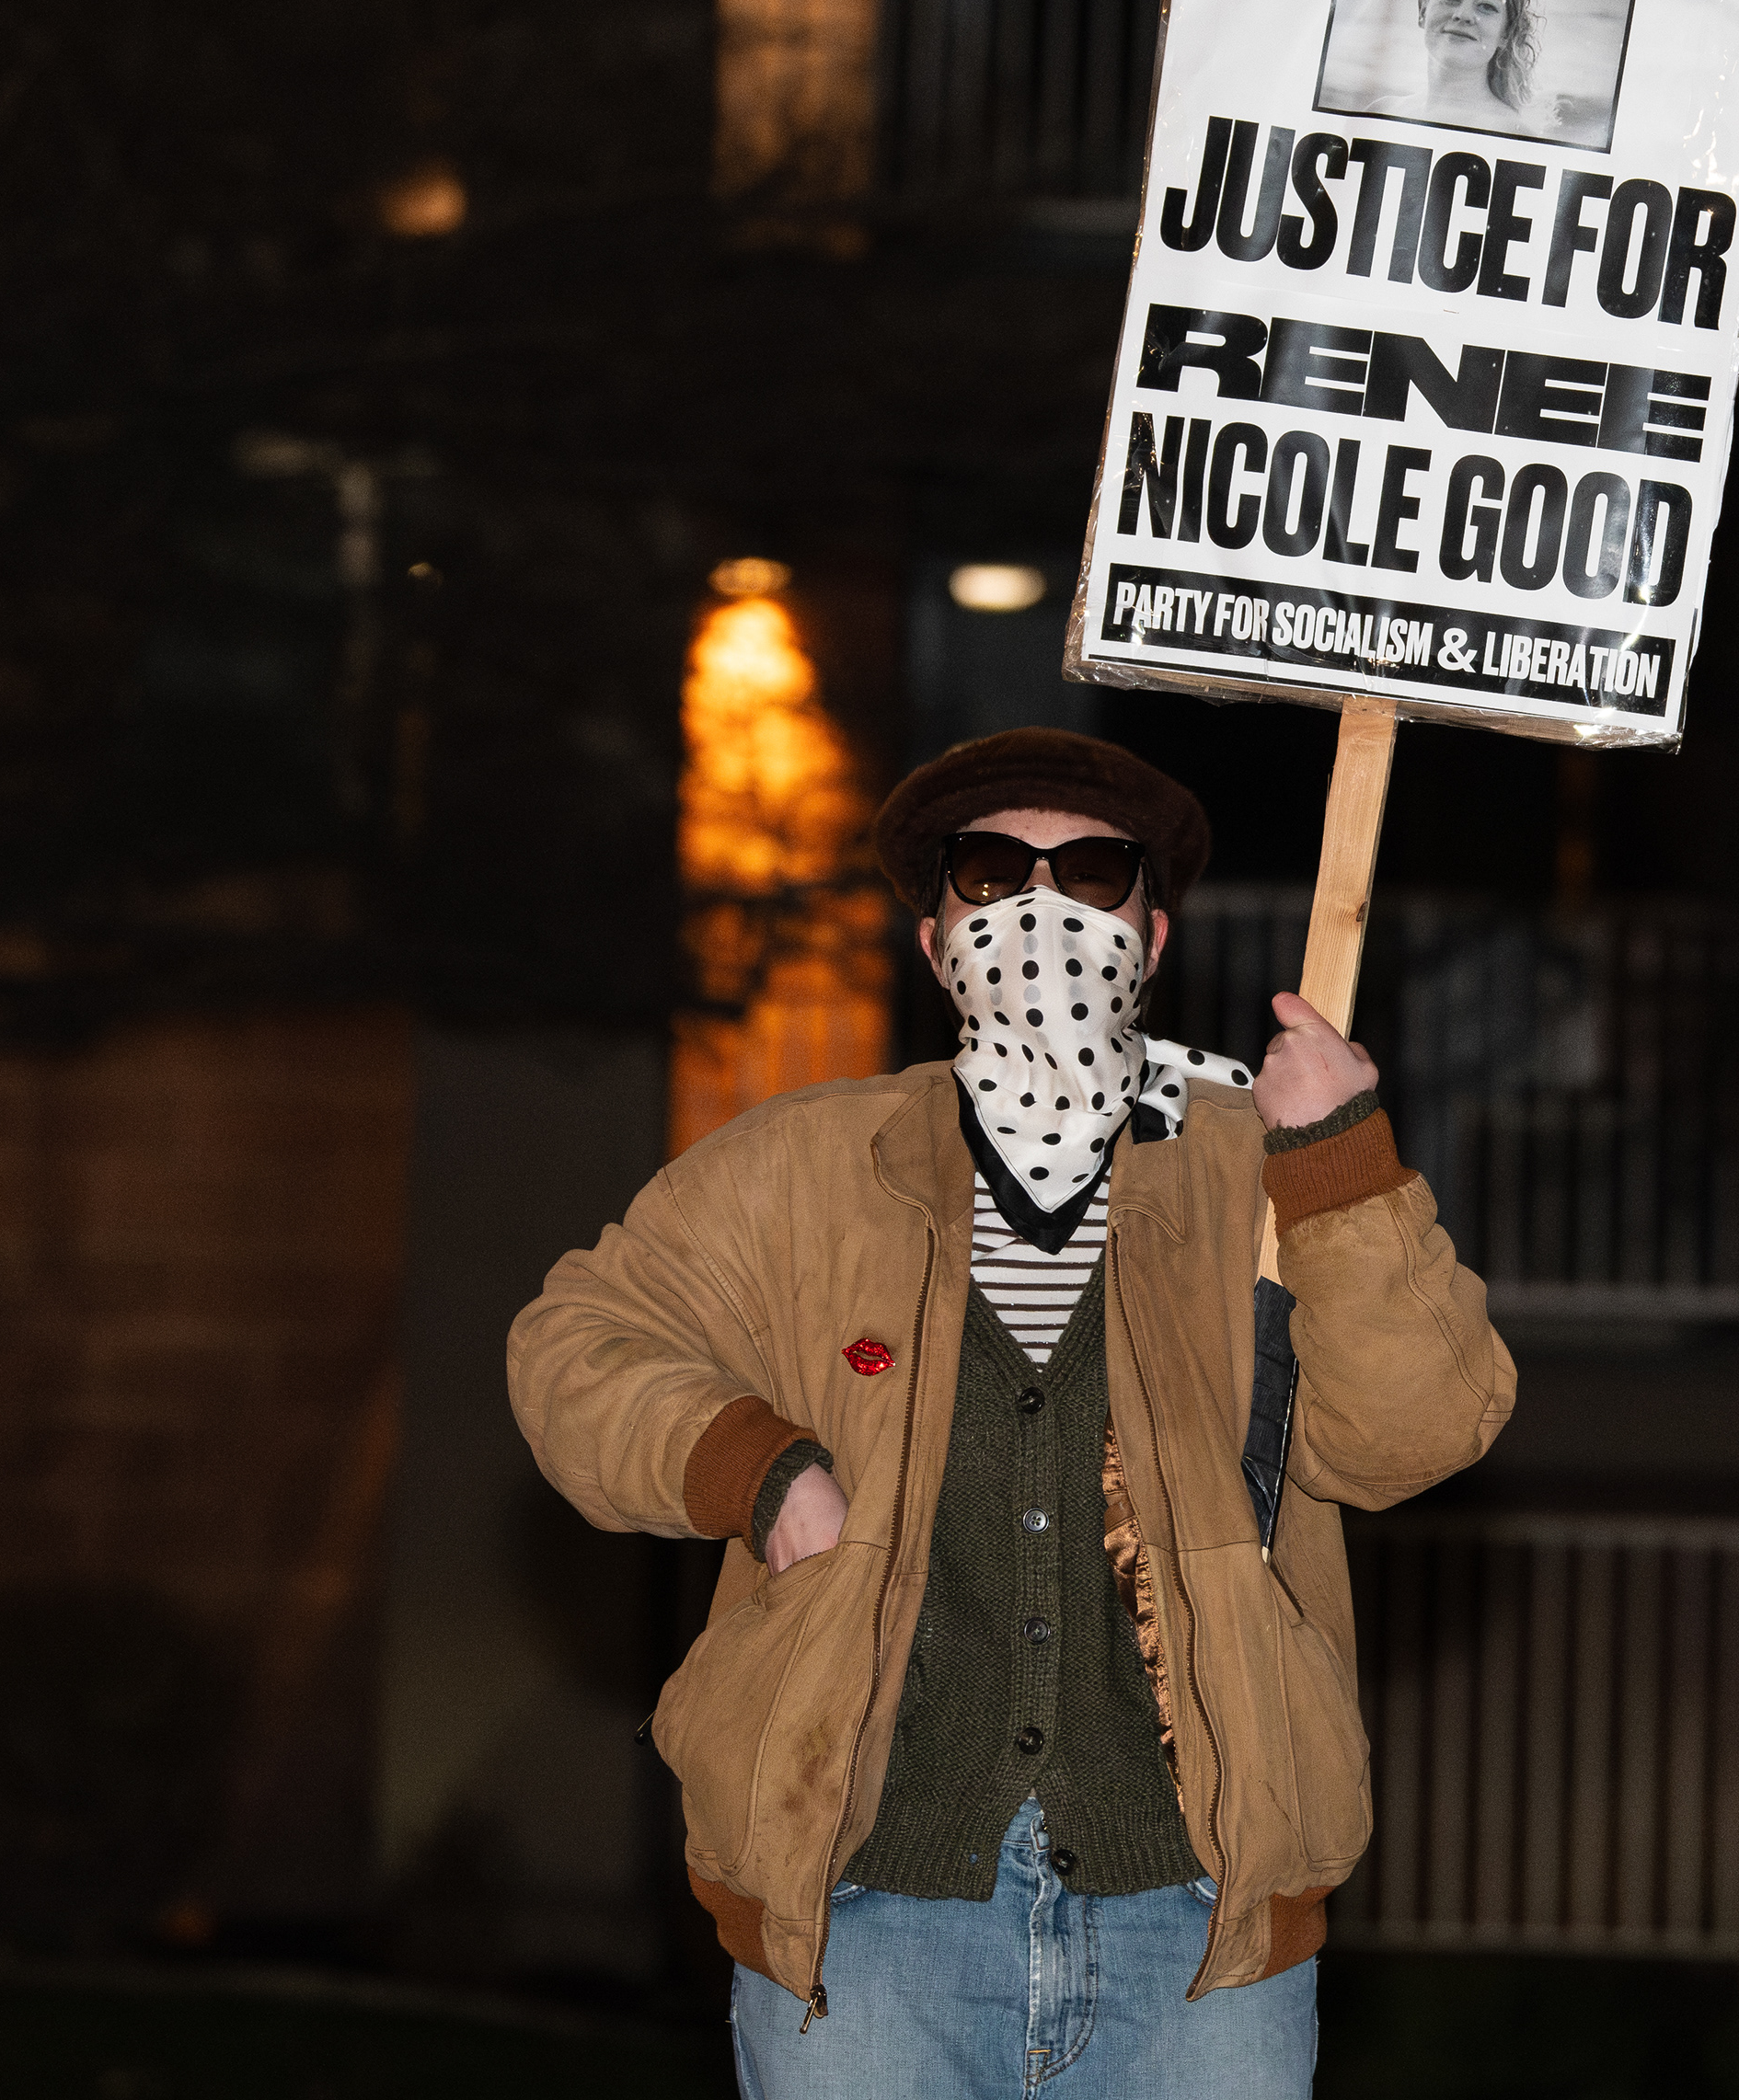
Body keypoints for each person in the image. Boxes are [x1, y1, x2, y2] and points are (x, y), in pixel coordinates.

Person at [508, 728, 1514, 2098]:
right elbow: (576, 1344)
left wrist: (1338, 1164)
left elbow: (1415, 1432)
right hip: (864, 1918)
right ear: (935, 941)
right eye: (992, 871)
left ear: (1150, 936)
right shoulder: (804, 1168)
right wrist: (763, 1470)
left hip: (1201, 1934)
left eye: (1092, 872)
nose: (1042, 907)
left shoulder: (1255, 1172)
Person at [1361, 0, 1549, 136]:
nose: (1463, 14)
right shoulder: (1382, 112)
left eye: (1486, 6)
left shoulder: (1514, 134)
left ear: (1506, 33)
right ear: (1422, 11)